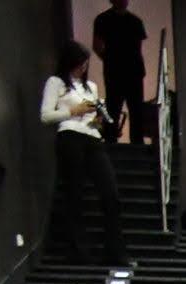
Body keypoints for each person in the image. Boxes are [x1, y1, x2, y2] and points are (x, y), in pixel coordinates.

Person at [43, 41, 128, 266]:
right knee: (75, 193)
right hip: (69, 136)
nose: (83, 67)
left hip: (92, 137)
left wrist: (99, 119)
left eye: (85, 63)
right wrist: (73, 110)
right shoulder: (56, 83)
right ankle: (78, 252)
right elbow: (46, 116)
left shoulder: (90, 86)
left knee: (110, 194)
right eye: (80, 63)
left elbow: (93, 123)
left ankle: (115, 252)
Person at [91, 0, 147, 142]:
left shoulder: (105, 19)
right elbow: (138, 49)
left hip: (120, 72)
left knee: (118, 110)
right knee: (127, 111)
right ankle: (132, 145)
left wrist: (109, 60)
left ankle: (114, 144)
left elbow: (97, 46)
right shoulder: (134, 21)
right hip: (127, 72)